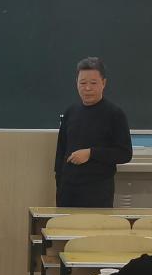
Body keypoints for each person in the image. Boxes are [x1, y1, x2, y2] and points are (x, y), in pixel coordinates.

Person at [54, 57, 133, 208]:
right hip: (67, 192)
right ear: (76, 83)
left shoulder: (115, 114)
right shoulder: (71, 112)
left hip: (98, 193)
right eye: (83, 83)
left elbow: (125, 153)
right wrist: (59, 183)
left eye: (93, 83)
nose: (87, 88)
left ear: (104, 83)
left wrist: (91, 153)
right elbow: (61, 152)